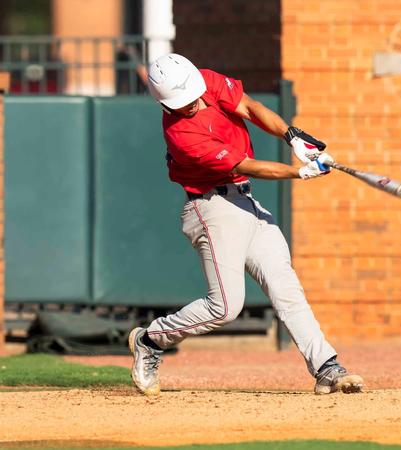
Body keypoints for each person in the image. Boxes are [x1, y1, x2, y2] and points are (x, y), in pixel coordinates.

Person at [128, 53, 363, 396]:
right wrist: (301, 171)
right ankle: (151, 340)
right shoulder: (183, 135)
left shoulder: (204, 80)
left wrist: (293, 137)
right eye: (182, 102)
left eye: (192, 96)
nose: (191, 104)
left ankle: (326, 367)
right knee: (224, 307)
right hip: (212, 209)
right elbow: (246, 165)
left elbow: (250, 108)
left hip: (246, 202)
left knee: (286, 287)